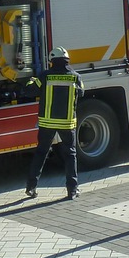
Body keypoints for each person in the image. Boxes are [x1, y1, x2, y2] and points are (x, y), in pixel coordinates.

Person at [25, 46, 85, 200]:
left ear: (52, 60)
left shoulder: (45, 76)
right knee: (70, 155)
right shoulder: (75, 76)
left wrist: (31, 81)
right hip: (67, 123)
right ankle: (72, 190)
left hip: (47, 123)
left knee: (41, 153)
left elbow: (29, 91)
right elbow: (82, 92)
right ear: (67, 60)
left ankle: (31, 187)